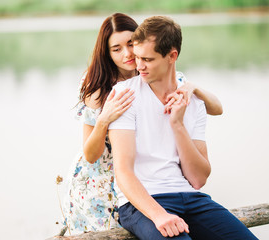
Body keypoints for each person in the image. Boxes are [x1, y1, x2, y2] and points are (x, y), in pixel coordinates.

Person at [63, 13, 223, 235]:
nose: (128, 54)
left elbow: (216, 108)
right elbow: (90, 155)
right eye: (116, 49)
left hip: (147, 180)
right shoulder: (100, 85)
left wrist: (193, 88)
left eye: (130, 44)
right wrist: (103, 120)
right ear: (107, 53)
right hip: (101, 181)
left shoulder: (160, 74)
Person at [108, 15, 257, 240]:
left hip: (190, 198)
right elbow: (123, 172)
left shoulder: (193, 100)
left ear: (172, 56)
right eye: (137, 57)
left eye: (147, 59)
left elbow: (198, 179)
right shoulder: (124, 95)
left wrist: (177, 124)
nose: (139, 66)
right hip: (141, 203)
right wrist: (159, 216)